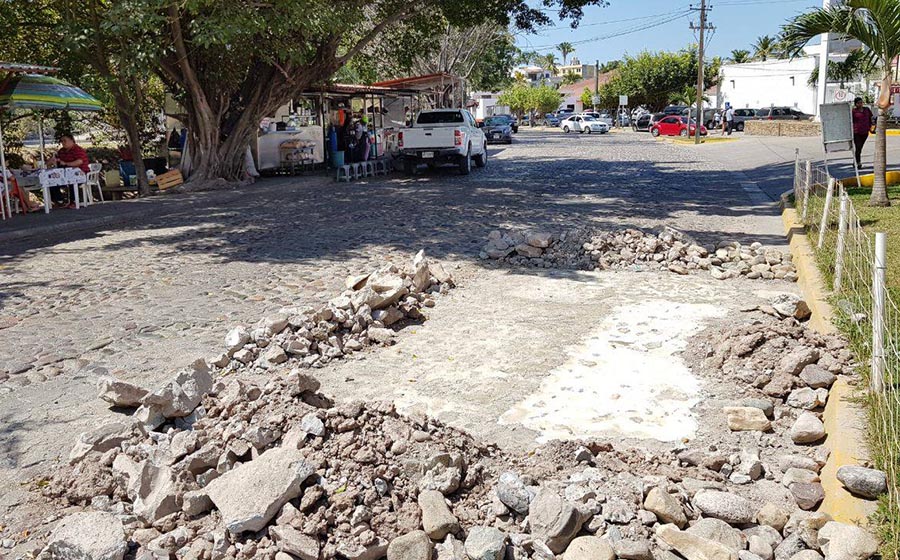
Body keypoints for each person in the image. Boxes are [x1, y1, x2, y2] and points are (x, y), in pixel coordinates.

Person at [48, 134, 91, 207]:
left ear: (72, 140)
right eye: (62, 141)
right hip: (64, 174)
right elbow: (54, 160)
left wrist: (66, 163)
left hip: (80, 173)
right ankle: (58, 200)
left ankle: (73, 202)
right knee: (51, 181)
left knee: (72, 181)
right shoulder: (61, 151)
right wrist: (52, 161)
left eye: (65, 140)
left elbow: (79, 161)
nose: (63, 143)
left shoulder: (78, 150)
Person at [852, 97, 875, 168]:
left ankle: (855, 160)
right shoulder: (853, 111)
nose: (860, 104)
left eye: (861, 102)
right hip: (856, 132)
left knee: (860, 147)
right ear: (855, 104)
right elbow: (850, 121)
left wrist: (872, 127)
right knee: (858, 147)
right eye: (858, 103)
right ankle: (858, 162)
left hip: (865, 131)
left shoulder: (867, 109)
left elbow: (871, 118)